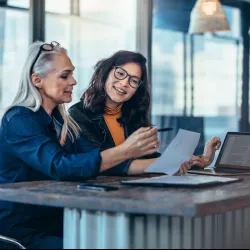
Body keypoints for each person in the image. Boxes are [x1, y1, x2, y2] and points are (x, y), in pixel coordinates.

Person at [0, 41, 164, 249]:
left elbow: (101, 161)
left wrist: (169, 166)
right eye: (64, 76)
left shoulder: (62, 122)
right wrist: (126, 150)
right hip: (22, 230)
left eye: (72, 74)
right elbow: (61, 166)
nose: (74, 81)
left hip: (57, 222)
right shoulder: (19, 119)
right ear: (37, 80)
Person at [68, 50, 221, 175]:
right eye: (120, 73)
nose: (124, 83)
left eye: (134, 80)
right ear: (106, 72)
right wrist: (167, 163)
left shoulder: (133, 115)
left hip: (136, 193)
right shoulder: (78, 114)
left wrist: (202, 159)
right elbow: (101, 163)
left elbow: (150, 160)